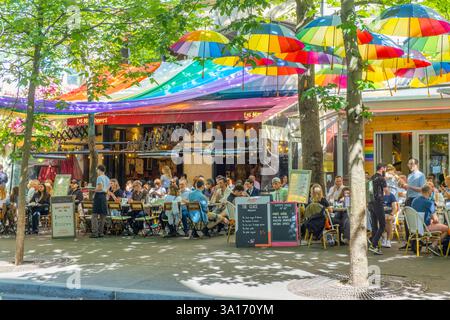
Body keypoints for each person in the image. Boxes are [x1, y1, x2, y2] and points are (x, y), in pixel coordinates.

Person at [412, 185, 449, 256]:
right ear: (429, 192)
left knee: (436, 226)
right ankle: (433, 245)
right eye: (431, 191)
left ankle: (430, 244)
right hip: (424, 228)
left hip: (414, 227)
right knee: (448, 229)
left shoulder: (414, 200)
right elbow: (436, 219)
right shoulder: (429, 202)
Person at [399, 158, 426, 249]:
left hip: (416, 199)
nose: (409, 165)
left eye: (411, 163)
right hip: (408, 199)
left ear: (416, 164)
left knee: (414, 221)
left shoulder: (421, 175)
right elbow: (408, 189)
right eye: (409, 163)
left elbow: (422, 189)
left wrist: (409, 186)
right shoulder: (410, 175)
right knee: (407, 221)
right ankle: (409, 242)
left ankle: (416, 243)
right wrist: (403, 186)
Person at [368, 163, 389, 255]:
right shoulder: (381, 178)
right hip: (378, 203)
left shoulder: (372, 177)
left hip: (371, 203)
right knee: (383, 225)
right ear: (382, 169)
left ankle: (375, 247)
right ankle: (373, 244)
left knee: (374, 226)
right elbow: (386, 192)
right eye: (385, 169)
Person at [90, 165, 110, 238]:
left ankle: (95, 233)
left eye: (97, 170)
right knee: (103, 215)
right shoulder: (107, 178)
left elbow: (100, 187)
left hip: (98, 196)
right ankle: (101, 232)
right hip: (104, 196)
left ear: (99, 170)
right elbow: (107, 189)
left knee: (94, 215)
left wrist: (93, 190)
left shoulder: (99, 177)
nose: (96, 172)